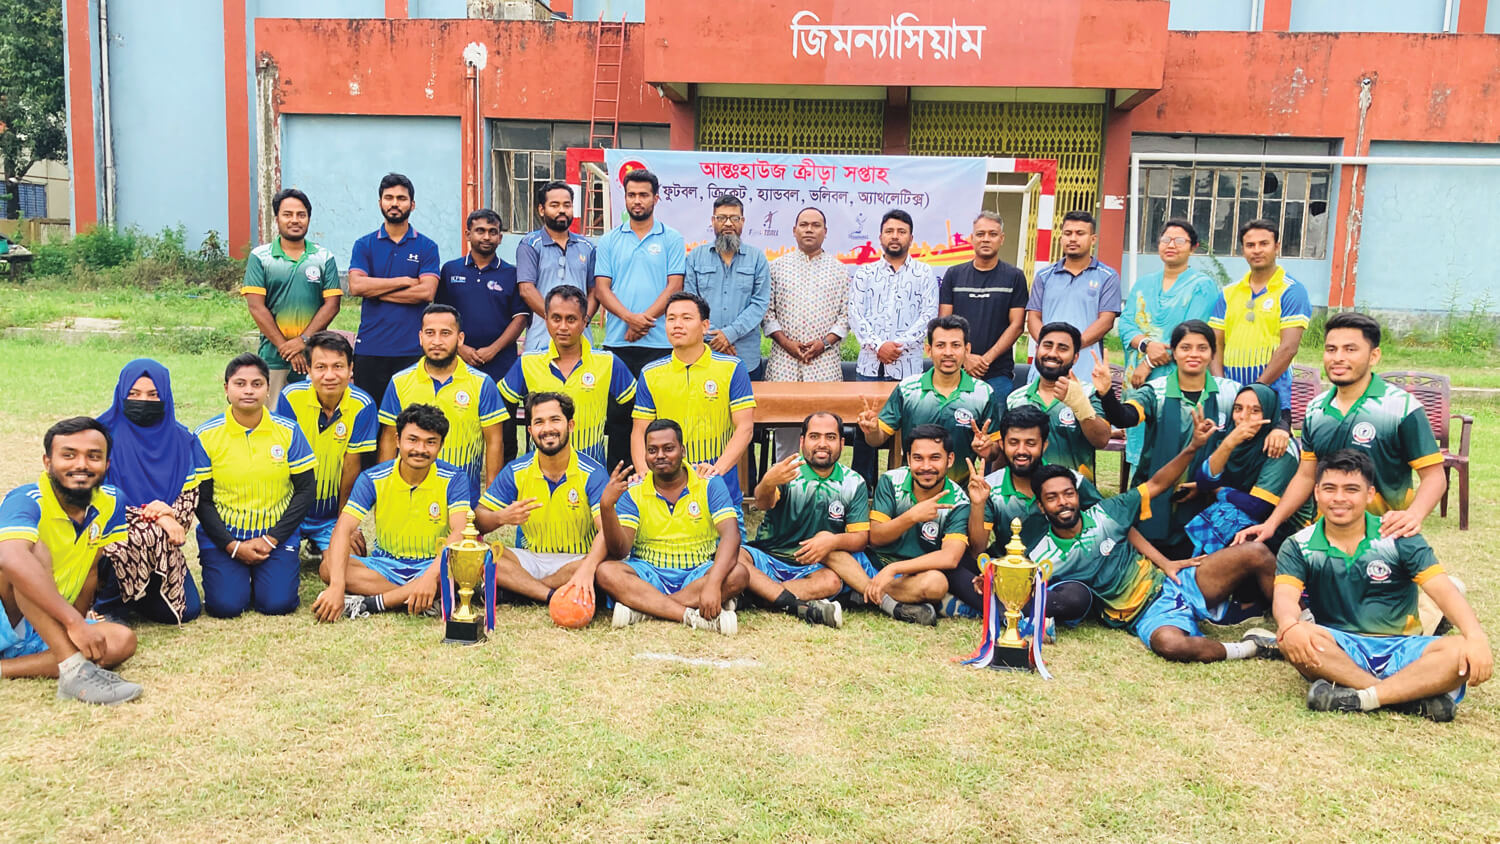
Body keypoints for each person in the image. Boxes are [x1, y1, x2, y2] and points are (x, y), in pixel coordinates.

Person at [1027, 410, 1281, 663]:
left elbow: (1158, 483)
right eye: (1052, 498)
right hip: (1147, 613)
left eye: (1068, 493)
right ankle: (1252, 648)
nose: (1063, 502)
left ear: (1077, 495)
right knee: (1170, 645)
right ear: (1041, 506)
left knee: (1256, 552)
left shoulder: (1105, 513)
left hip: (1175, 581)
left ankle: (1295, 624)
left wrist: (1192, 447)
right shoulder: (1044, 556)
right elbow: (1023, 594)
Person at [1275, 450, 1490, 721]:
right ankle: (1402, 696)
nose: (1339, 498)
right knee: (1294, 635)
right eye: (1330, 489)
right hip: (1340, 648)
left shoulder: (1398, 535)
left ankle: (1361, 698)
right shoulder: (1298, 545)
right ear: (1316, 493)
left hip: (1405, 646)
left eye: (1351, 489)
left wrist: (1476, 637)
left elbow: (1443, 590)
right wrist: (1288, 624)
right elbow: (1285, 598)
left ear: (1369, 494)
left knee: (1459, 652)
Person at [1237, 312, 1446, 545]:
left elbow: (1434, 476)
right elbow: (1306, 475)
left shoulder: (1401, 407)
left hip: (1384, 538)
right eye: (1331, 349)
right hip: (1325, 539)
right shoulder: (1316, 409)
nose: (1338, 358)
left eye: (1350, 349)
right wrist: (1272, 523)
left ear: (1374, 356)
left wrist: (1413, 515)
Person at [0, 417, 142, 704]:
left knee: (121, 640)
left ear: (107, 465)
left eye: (93, 456)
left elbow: (91, 570)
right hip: (9, 613)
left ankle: (8, 668)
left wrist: (74, 625)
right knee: (32, 553)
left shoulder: (111, 502)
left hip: (42, 623)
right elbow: (11, 560)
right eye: (68, 455)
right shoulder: (27, 498)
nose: (81, 465)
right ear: (47, 462)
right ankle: (73, 669)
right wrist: (73, 622)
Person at [312, 403, 468, 622]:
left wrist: (431, 575)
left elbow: (460, 531)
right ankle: (422, 598)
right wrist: (337, 586)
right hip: (385, 566)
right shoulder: (373, 478)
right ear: (397, 440)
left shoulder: (454, 478)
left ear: (441, 445)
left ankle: (376, 603)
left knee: (469, 566)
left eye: (430, 442)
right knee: (328, 566)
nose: (420, 449)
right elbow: (343, 528)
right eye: (412, 440)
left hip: (433, 564)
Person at [1097, 319, 1240, 557]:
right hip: (1156, 494)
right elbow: (1124, 417)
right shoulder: (1156, 391)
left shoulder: (1230, 392)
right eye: (1185, 347)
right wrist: (1106, 393)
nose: (1193, 354)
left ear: (1212, 353)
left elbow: (1261, 414)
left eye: (1202, 348)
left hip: (1208, 497)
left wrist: (1280, 428)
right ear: (1173, 352)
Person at [193, 354, 317, 618]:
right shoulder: (205, 435)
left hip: (275, 535)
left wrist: (271, 539)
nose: (248, 390)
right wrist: (232, 546)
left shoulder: (289, 431)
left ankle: (267, 576)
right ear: (226, 389)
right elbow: (202, 500)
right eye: (240, 383)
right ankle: (234, 577)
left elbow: (306, 491)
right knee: (226, 607)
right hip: (225, 536)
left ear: (268, 389)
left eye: (257, 384)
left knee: (277, 604)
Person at [596, 420, 745, 635]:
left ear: (682, 451)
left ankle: (646, 609)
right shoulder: (635, 489)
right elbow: (620, 550)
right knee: (606, 572)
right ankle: (688, 615)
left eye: (668, 448)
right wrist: (607, 507)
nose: (660, 456)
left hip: (697, 573)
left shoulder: (708, 482)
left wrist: (713, 584)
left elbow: (731, 536)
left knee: (738, 574)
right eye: (652, 450)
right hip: (649, 575)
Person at [820, 424, 970, 627]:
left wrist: (894, 568)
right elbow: (875, 537)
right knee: (828, 545)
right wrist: (911, 517)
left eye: (935, 458)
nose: (926, 466)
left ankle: (859, 593)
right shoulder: (892, 480)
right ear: (908, 458)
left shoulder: (959, 501)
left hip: (910, 575)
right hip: (870, 565)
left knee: (937, 584)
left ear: (949, 460)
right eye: (918, 458)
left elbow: (950, 558)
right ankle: (890, 604)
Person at [93, 360, 203, 624]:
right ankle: (107, 605)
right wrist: (157, 517)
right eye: (134, 394)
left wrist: (170, 514)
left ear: (166, 396)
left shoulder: (182, 440)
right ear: (121, 393)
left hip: (162, 543)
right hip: (107, 540)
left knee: (186, 611)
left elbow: (188, 500)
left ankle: (133, 593)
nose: (143, 401)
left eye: (153, 395)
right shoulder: (99, 436)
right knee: (143, 533)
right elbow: (95, 497)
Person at [475, 392, 610, 607]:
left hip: (577, 560)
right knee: (477, 552)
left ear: (570, 425)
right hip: (531, 559)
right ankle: (549, 595)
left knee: (605, 567)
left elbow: (606, 532)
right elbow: (478, 520)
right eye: (539, 422)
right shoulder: (516, 471)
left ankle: (520, 591)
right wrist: (501, 517)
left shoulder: (593, 473)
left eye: (555, 420)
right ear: (530, 431)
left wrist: (587, 567)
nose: (547, 428)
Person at [738, 412, 864, 629]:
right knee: (736, 556)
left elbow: (861, 538)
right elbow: (763, 502)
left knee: (832, 581)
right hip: (768, 558)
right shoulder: (787, 471)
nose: (822, 444)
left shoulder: (854, 483)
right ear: (802, 441)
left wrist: (833, 541)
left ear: (842, 443)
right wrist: (767, 482)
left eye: (830, 437)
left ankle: (755, 596)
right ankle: (784, 599)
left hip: (811, 568)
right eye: (815, 436)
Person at [631, 292, 756, 511]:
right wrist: (644, 473)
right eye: (671, 318)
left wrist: (716, 471)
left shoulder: (732, 368)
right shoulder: (650, 373)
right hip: (667, 488)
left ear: (705, 325)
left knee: (730, 535)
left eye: (686, 318)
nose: (677, 325)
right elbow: (639, 431)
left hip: (720, 488)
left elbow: (745, 427)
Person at [378, 304, 507, 504]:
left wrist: (490, 499)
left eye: (445, 333)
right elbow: (388, 439)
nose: (437, 341)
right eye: (430, 333)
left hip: (463, 500)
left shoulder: (482, 384)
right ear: (421, 337)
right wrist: (384, 491)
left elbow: (494, 442)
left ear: (460, 339)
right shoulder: (399, 382)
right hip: (410, 500)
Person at [848, 209, 940, 484]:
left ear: (911, 237)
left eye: (901, 231)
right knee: (866, 431)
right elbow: (855, 314)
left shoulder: (924, 273)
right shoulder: (865, 273)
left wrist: (897, 346)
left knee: (909, 434)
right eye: (889, 231)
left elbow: (929, 316)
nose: (895, 236)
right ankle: (862, 490)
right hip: (869, 367)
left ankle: (903, 488)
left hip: (907, 370)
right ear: (880, 237)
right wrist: (879, 346)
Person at [1117, 218, 1218, 466]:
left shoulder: (1202, 286)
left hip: (1178, 379)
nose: (1171, 245)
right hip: (1138, 380)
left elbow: (1192, 336)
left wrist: (1149, 363)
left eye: (1179, 240)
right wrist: (1146, 345)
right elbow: (1126, 324)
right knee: (1140, 449)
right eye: (1165, 239)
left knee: (1174, 449)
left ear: (1193, 247)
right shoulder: (1143, 284)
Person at [500, 284, 635, 468]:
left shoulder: (608, 363)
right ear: (546, 319)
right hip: (538, 474)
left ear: (584, 321)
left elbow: (637, 415)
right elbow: (502, 415)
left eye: (571, 319)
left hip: (592, 476)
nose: (563, 327)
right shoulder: (527, 362)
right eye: (556, 318)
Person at [856, 315, 1001, 486]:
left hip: (962, 493)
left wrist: (986, 449)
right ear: (928, 350)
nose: (948, 352)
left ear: (967, 350)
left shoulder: (983, 393)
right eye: (940, 345)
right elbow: (876, 440)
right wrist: (872, 431)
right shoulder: (908, 389)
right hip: (913, 490)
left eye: (955, 345)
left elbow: (994, 452)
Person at [273, 331, 379, 557]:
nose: (329, 375)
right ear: (308, 370)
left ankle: (323, 539)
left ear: (351, 369)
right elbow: (282, 461)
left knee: (347, 564)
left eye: (338, 366)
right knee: (272, 565)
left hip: (330, 516)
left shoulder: (363, 405)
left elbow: (351, 467)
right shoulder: (290, 397)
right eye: (321, 367)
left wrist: (345, 523)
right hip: (289, 510)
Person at [436, 208, 529, 464]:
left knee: (504, 432)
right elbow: (441, 315)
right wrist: (460, 349)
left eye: (492, 232)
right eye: (480, 231)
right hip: (458, 364)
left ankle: (502, 484)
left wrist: (493, 350)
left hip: (501, 366)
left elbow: (520, 318)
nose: (486, 237)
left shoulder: (512, 274)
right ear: (468, 234)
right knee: (456, 426)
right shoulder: (450, 270)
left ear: (500, 237)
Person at [1209, 218, 1311, 450]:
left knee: (1270, 453)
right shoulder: (1228, 293)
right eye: (1250, 245)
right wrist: (1223, 386)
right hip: (1232, 394)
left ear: (1277, 246)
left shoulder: (1292, 291)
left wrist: (1255, 391)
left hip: (1273, 392)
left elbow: (1288, 348)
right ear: (1243, 249)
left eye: (1264, 244)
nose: (1256, 250)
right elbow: (1216, 344)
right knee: (1227, 454)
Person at [1185, 384, 1315, 555]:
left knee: (1227, 515)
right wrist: (1229, 443)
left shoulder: (1279, 447)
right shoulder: (1233, 436)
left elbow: (1258, 506)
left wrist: (1218, 490)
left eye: (1255, 411)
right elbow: (1203, 482)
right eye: (1238, 409)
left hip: (1287, 529)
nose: (1243, 417)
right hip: (1247, 513)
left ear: (1269, 414)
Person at [347, 173, 442, 405]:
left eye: (401, 198)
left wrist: (376, 290)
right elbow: (356, 286)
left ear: (412, 204)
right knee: (371, 417)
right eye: (389, 198)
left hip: (412, 349)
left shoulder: (427, 246)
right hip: (371, 348)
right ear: (380, 203)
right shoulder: (364, 244)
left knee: (413, 418)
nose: (394, 203)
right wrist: (404, 280)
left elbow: (426, 293)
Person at [764, 206, 850, 456]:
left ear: (825, 231)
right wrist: (787, 343)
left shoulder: (839, 270)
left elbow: (846, 317)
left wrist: (824, 343)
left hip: (824, 364)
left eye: (815, 225)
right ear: (794, 230)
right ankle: (786, 480)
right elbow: (767, 313)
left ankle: (823, 478)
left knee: (825, 433)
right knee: (786, 437)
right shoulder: (776, 267)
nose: (809, 230)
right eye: (804, 225)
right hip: (784, 363)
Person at [242, 188, 342, 399]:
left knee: (313, 411)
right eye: (287, 214)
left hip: (315, 356)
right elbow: (256, 307)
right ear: (277, 218)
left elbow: (332, 305)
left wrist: (303, 340)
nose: (295, 220)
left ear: (308, 218)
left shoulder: (324, 258)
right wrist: (286, 347)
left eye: (301, 215)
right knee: (273, 413)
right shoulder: (260, 257)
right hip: (273, 356)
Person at [965, 405, 1102, 558]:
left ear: (1044, 446)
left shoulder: (1072, 482)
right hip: (1006, 566)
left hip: (1061, 567)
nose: (1021, 451)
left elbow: (1104, 525)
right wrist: (978, 505)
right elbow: (977, 550)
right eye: (1013, 443)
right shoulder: (989, 487)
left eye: (1030, 443)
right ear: (1002, 445)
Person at [593, 168, 685, 376]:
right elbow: (602, 289)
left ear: (656, 198)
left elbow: (675, 286)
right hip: (618, 340)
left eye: (643, 195)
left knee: (657, 398)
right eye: (631, 195)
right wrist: (629, 319)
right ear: (625, 198)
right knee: (618, 398)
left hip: (661, 342)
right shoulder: (609, 240)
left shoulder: (672, 238)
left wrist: (640, 323)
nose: (637, 201)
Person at [1001, 322, 1109, 480]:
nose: (1052, 353)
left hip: (1072, 491)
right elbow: (1003, 453)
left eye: (1062, 348)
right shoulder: (1015, 398)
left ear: (1075, 357)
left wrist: (1081, 406)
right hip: (1025, 492)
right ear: (1037, 350)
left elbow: (1101, 440)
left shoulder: (1088, 393)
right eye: (1047, 345)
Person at [938, 211, 1029, 399]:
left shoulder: (1015, 277)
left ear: (1002, 239)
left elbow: (1017, 325)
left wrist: (984, 360)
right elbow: (944, 323)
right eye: (980, 234)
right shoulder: (954, 275)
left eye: (992, 234)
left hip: (998, 373)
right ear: (972, 239)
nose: (986, 239)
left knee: (995, 419)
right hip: (956, 371)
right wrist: (965, 358)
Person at [1025, 210, 1121, 382]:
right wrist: (1051, 348)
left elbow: (1106, 321)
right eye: (1068, 233)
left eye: (1080, 233)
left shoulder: (1107, 276)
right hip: (1046, 367)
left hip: (1087, 371)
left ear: (1093, 239)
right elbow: (1033, 317)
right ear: (1061, 238)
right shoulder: (1044, 276)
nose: (1073, 238)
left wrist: (1070, 347)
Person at [684, 195, 771, 380]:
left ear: (743, 221)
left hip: (744, 357)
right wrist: (715, 337)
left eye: (734, 218)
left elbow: (759, 304)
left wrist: (729, 335)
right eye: (722, 218)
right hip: (704, 352)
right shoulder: (695, 258)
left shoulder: (757, 259)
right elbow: (690, 304)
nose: (728, 223)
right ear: (713, 221)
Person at [516, 180, 596, 355]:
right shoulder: (530, 245)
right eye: (554, 205)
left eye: (567, 205)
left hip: (581, 341)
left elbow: (594, 292)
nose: (562, 210)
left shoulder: (587, 247)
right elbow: (526, 290)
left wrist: (583, 321)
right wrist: (556, 321)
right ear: (541, 209)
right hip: (541, 341)